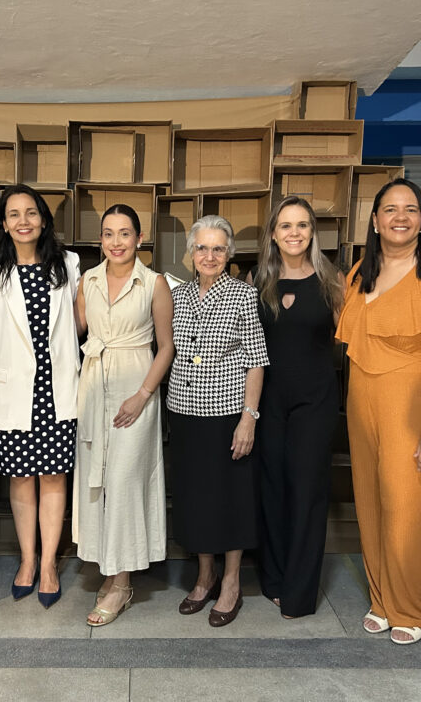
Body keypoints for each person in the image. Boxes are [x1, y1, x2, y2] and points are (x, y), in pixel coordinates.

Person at [335, 178, 421, 645]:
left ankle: (409, 607)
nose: (400, 217)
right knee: (371, 502)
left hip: (411, 407)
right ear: (375, 221)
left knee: (408, 507)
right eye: (390, 209)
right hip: (362, 403)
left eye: (410, 209)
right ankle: (381, 599)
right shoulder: (360, 273)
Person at [0, 185, 80, 609]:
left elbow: (78, 324)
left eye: (31, 212)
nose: (23, 221)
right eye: (14, 214)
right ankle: (28, 560)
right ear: (3, 223)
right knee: (20, 478)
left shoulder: (68, 265)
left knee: (54, 476)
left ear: (43, 219)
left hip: (58, 389)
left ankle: (49, 564)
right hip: (11, 390)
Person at [73, 204, 174, 627]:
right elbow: (72, 331)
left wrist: (142, 395)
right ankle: (110, 569)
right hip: (93, 386)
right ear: (100, 239)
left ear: (139, 238)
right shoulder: (88, 280)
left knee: (125, 482)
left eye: (125, 233)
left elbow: (166, 346)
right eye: (109, 233)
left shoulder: (154, 283)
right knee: (96, 481)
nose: (116, 242)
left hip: (136, 388)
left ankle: (122, 584)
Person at [167, 214, 269, 628]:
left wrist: (249, 418)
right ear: (191, 253)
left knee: (231, 500)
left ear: (229, 254)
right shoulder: (176, 295)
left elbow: (257, 361)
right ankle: (204, 575)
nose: (209, 256)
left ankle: (231, 582)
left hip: (227, 415)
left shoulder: (243, 295)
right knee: (196, 499)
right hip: (184, 413)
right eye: (202, 248)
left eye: (218, 249)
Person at [248, 196, 344, 619]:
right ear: (273, 233)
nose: (294, 233)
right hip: (267, 401)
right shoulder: (257, 280)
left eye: (302, 225)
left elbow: (350, 340)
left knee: (307, 492)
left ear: (312, 232)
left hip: (315, 401)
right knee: (271, 489)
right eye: (285, 225)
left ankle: (299, 593)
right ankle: (273, 578)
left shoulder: (332, 280)